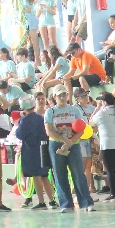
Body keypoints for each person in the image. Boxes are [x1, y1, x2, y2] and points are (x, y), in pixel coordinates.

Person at [43, 85, 93, 213]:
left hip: (73, 144)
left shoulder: (74, 110)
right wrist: (64, 140)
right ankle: (66, 203)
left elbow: (81, 128)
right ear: (54, 97)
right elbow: (49, 131)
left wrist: (71, 141)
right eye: (59, 95)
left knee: (78, 172)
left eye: (64, 94)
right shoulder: (50, 112)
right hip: (56, 144)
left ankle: (86, 202)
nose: (62, 97)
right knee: (59, 174)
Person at [14, 94, 55, 209]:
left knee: (36, 176)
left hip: (32, 151)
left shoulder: (25, 120)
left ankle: (41, 202)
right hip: (43, 148)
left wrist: (17, 123)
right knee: (44, 176)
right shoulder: (41, 118)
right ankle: (52, 200)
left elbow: (19, 134)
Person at [89, 92, 115, 202]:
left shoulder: (102, 113)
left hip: (107, 144)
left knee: (110, 170)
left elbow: (91, 123)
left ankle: (113, 194)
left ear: (104, 102)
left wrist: (97, 109)